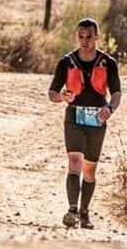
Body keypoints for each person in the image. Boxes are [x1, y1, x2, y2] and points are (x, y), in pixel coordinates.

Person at [48, 18, 121, 229]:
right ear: (77, 37)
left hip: (97, 119)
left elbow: (116, 92)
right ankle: (72, 210)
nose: (85, 41)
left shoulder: (108, 63)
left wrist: (110, 109)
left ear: (97, 37)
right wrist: (62, 97)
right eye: (81, 37)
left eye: (89, 37)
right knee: (75, 162)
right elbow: (52, 93)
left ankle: (84, 212)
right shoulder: (66, 62)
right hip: (74, 117)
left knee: (89, 170)